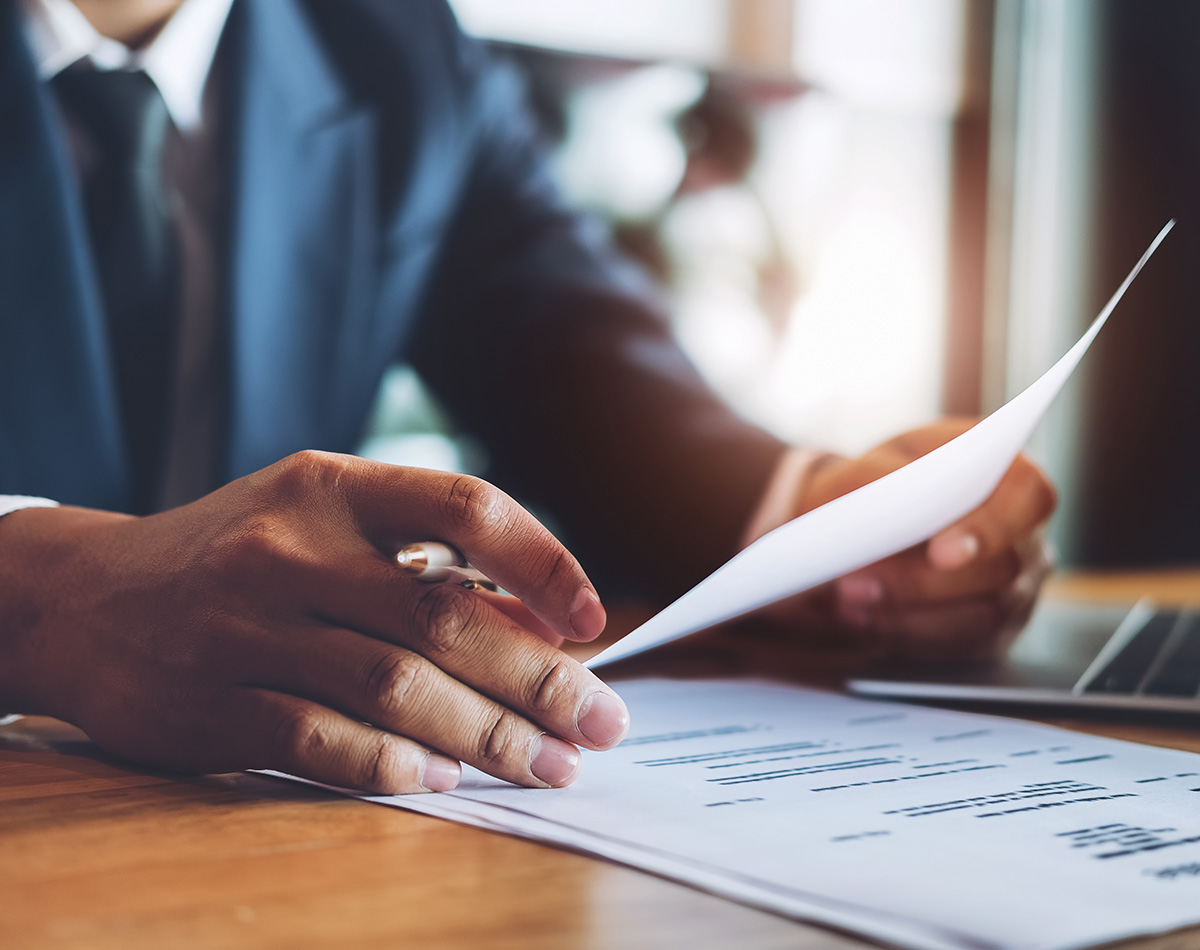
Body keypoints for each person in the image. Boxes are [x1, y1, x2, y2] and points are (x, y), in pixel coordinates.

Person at [0, 0, 1055, 796]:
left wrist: (824, 517)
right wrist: (41, 597)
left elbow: (565, 341)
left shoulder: (391, 39)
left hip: (255, 821)